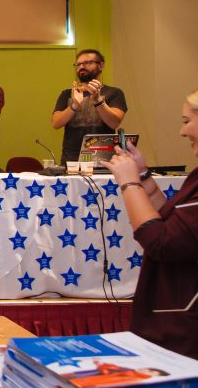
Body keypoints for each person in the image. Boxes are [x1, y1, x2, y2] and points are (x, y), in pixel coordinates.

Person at [101, 88, 198, 360]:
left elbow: (161, 241)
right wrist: (143, 176)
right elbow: (171, 222)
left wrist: (129, 183)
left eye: (187, 121)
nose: (182, 132)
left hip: (185, 333)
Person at [52, 49, 127, 164]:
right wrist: (74, 106)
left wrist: (98, 101)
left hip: (103, 161)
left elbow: (114, 122)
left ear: (101, 65)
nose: (81, 66)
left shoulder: (114, 93)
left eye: (87, 63)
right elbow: (56, 123)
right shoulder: (67, 94)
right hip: (71, 161)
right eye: (78, 64)